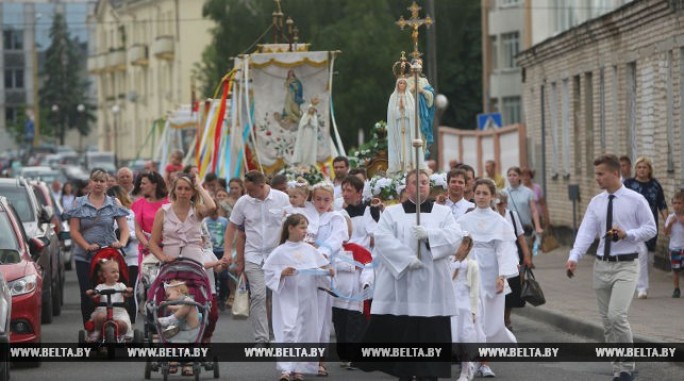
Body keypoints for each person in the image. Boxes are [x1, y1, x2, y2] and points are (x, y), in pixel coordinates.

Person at [360, 169, 464, 380]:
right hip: (403, 284)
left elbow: (455, 238)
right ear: (407, 187)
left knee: (431, 338)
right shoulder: (392, 213)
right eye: (416, 182)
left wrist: (430, 236)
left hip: (432, 286)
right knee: (404, 339)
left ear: (430, 185)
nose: (421, 186)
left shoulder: (442, 213)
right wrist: (407, 259)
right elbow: (382, 239)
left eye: (424, 182)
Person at [565, 154, 656, 381]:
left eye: (600, 174)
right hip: (601, 266)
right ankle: (617, 369)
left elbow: (651, 228)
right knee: (607, 322)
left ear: (615, 173)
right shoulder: (597, 202)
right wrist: (574, 256)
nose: (597, 178)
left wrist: (629, 234)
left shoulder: (635, 199)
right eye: (596, 174)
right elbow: (586, 231)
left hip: (626, 265)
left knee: (617, 316)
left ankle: (627, 367)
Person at [457, 179, 519, 378]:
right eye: (478, 193)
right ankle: (468, 362)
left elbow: (505, 250)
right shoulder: (463, 221)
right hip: (470, 270)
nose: (482, 197)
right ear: (473, 195)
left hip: (491, 272)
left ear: (492, 196)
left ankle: (485, 362)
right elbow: (457, 248)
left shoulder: (500, 221)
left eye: (485, 193)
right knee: (470, 316)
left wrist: (502, 275)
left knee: (490, 319)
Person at [223, 170, 291, 345]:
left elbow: (293, 223)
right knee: (259, 296)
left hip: (277, 256)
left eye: (251, 190)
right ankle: (262, 338)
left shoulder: (282, 198)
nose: (248, 193)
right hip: (253, 256)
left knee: (276, 297)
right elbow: (232, 227)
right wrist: (228, 252)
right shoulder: (243, 202)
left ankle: (277, 334)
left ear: (262, 186)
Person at [264, 214, 333, 381]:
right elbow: (268, 274)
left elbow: (322, 268)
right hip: (287, 298)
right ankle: (287, 369)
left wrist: (328, 271)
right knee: (288, 330)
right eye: (302, 227)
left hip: (307, 297)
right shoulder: (279, 252)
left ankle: (299, 368)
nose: (305, 231)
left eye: (306, 228)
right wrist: (281, 273)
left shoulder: (310, 250)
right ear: (290, 228)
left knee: (304, 331)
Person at [67, 168, 130, 325]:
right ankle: (90, 329)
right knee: (88, 294)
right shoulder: (79, 203)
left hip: (108, 255)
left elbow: (124, 229)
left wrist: (121, 243)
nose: (98, 184)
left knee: (112, 292)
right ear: (90, 182)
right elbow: (74, 231)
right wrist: (86, 246)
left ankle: (114, 325)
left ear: (107, 184)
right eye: (96, 180)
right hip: (85, 256)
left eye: (102, 181)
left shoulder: (114, 203)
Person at [311, 182, 349, 377]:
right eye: (318, 199)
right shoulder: (306, 215)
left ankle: (320, 360)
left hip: (324, 271)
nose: (321, 203)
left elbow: (337, 239)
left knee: (322, 317)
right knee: (302, 315)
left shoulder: (336, 218)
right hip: (303, 271)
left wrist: (320, 253)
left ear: (332, 200)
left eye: (326, 199)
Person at [623, 157, 668, 299]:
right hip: (633, 225)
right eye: (639, 167)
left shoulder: (655, 185)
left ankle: (639, 281)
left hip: (650, 225)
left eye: (644, 167)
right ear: (635, 169)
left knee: (649, 260)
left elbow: (662, 204)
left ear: (649, 170)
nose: (641, 170)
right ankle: (642, 288)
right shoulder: (628, 184)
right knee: (641, 252)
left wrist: (667, 221)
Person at [149, 173, 216, 263]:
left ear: (193, 192)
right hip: (170, 264)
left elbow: (212, 207)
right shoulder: (163, 211)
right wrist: (163, 258)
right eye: (179, 188)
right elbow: (153, 242)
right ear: (174, 191)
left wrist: (199, 186)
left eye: (187, 189)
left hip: (194, 263)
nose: (183, 192)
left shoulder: (197, 210)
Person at [496, 191, 532, 330]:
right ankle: (497, 320)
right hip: (496, 258)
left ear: (505, 203)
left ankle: (506, 318)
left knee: (512, 290)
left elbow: (521, 237)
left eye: (500, 204)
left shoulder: (511, 215)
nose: (497, 206)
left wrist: (527, 256)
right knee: (499, 290)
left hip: (512, 257)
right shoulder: (491, 216)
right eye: (495, 203)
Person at [449, 235, 482, 381]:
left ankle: (466, 369)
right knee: (455, 337)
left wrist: (474, 311)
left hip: (466, 306)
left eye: (458, 243)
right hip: (453, 305)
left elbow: (475, 290)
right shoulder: (449, 262)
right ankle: (464, 366)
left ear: (465, 246)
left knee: (465, 337)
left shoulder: (472, 265)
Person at [107, 185, 139, 323]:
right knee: (113, 293)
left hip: (132, 259)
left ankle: (130, 324)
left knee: (130, 292)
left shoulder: (131, 214)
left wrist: (127, 236)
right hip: (112, 261)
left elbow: (139, 233)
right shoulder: (104, 216)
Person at [85, 259, 133, 341]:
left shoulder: (120, 286)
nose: (116, 274)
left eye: (117, 272)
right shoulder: (100, 287)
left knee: (123, 324)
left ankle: (121, 335)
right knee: (100, 316)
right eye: (113, 272)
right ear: (105, 274)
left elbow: (126, 293)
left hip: (119, 312)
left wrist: (128, 291)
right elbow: (95, 294)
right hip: (103, 310)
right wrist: (92, 293)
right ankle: (97, 331)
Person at [131, 171, 169, 271]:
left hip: (167, 249)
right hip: (146, 250)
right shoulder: (139, 203)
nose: (141, 186)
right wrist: (148, 245)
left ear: (154, 185)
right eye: (140, 183)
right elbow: (138, 230)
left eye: (144, 183)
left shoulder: (168, 203)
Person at [387, 77, 422, 176]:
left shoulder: (409, 96)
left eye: (403, 83)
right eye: (400, 83)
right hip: (398, 125)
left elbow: (413, 112)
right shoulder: (393, 97)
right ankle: (399, 166)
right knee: (399, 144)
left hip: (408, 125)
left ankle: (409, 165)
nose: (401, 85)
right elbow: (391, 113)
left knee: (408, 144)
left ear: (406, 85)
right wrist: (399, 109)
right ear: (397, 85)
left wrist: (405, 108)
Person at [505, 167, 544, 243]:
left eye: (514, 175)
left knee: (526, 253)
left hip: (525, 229)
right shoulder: (503, 192)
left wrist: (537, 226)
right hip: (509, 229)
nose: (512, 178)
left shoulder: (528, 192)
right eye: (509, 175)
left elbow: (534, 211)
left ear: (519, 177)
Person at [158, 280, 201, 345]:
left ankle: (170, 320)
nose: (167, 298)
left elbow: (182, 308)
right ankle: (168, 327)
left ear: (178, 291)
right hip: (180, 331)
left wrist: (169, 307)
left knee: (189, 302)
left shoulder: (187, 299)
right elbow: (180, 309)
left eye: (168, 295)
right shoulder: (175, 304)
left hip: (191, 331)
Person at [203, 205, 230, 310]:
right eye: (211, 212)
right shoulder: (205, 221)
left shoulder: (224, 221)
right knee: (210, 274)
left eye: (215, 211)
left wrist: (228, 251)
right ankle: (212, 296)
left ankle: (222, 298)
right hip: (210, 250)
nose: (214, 214)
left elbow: (228, 235)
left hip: (221, 250)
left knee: (223, 276)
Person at [663, 190, 684, 298]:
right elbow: (665, 233)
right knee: (675, 270)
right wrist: (670, 224)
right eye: (675, 203)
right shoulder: (670, 217)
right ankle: (676, 289)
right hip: (674, 247)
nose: (677, 206)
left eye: (679, 203)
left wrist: (681, 221)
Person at [284, 179, 319, 244]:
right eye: (290, 196)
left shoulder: (311, 206)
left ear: (304, 197)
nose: (291, 199)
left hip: (314, 239)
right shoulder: (289, 210)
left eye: (295, 197)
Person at [292, 97, 320, 167]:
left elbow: (315, 126)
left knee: (309, 149)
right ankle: (301, 163)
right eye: (311, 109)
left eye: (313, 110)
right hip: (304, 134)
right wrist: (307, 120)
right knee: (303, 148)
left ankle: (308, 163)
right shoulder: (305, 116)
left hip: (311, 135)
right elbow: (302, 124)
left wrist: (312, 122)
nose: (312, 111)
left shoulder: (314, 117)